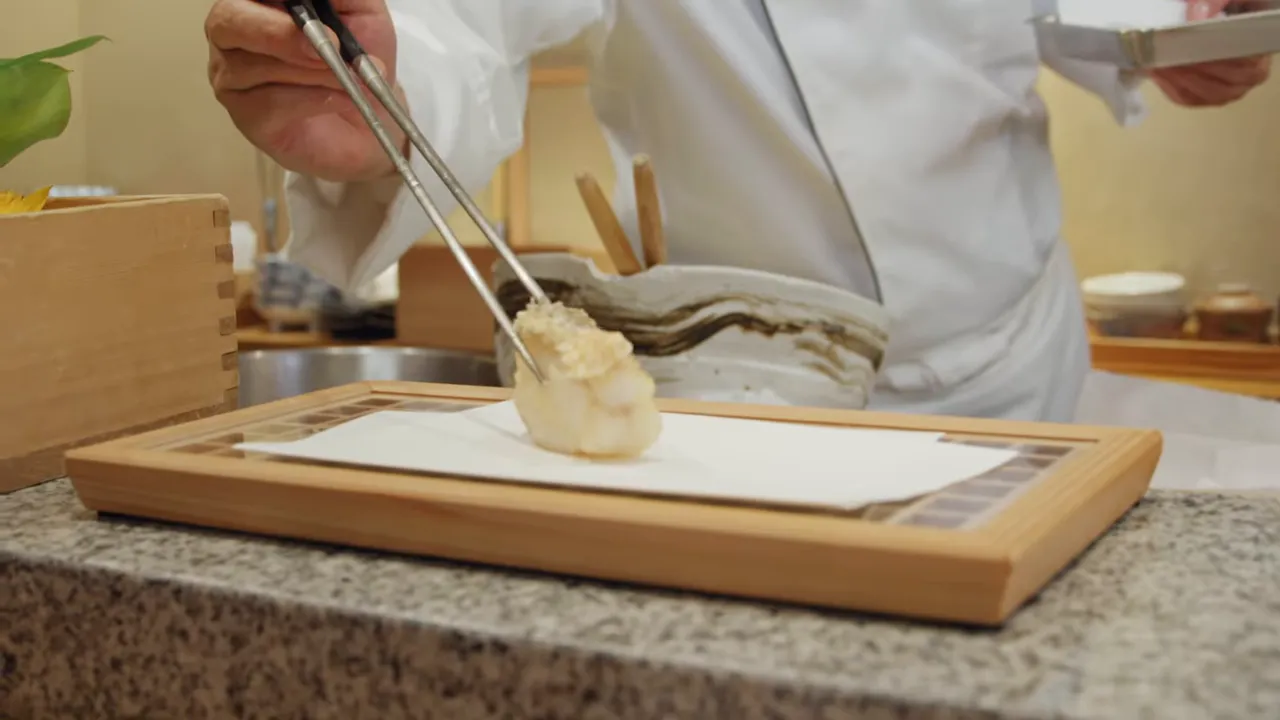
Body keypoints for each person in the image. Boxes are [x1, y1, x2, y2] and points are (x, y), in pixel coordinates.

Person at [206, 0, 1270, 422]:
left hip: (1024, 374)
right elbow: (459, 22)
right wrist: (380, 82)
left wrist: (1176, 27)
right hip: (757, 398)